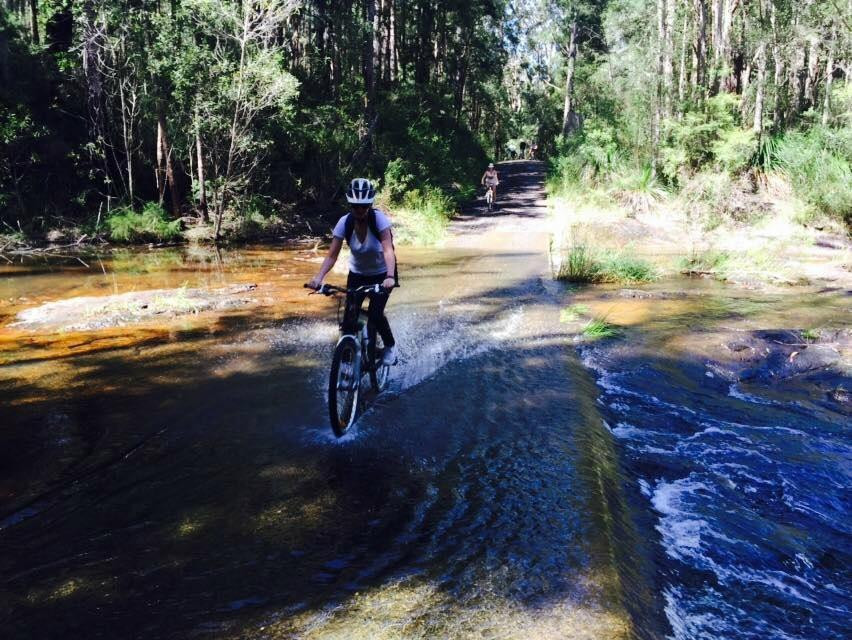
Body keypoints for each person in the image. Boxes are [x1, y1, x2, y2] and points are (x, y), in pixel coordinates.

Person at [308, 178, 398, 365]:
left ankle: (390, 346)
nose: (359, 211)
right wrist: (318, 278)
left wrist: (390, 277)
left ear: (369, 205)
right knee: (349, 321)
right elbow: (332, 255)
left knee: (375, 313)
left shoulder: (379, 220)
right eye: (356, 206)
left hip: (382, 274)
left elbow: (388, 250)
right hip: (357, 275)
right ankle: (349, 367)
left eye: (364, 206)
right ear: (350, 205)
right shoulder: (345, 222)